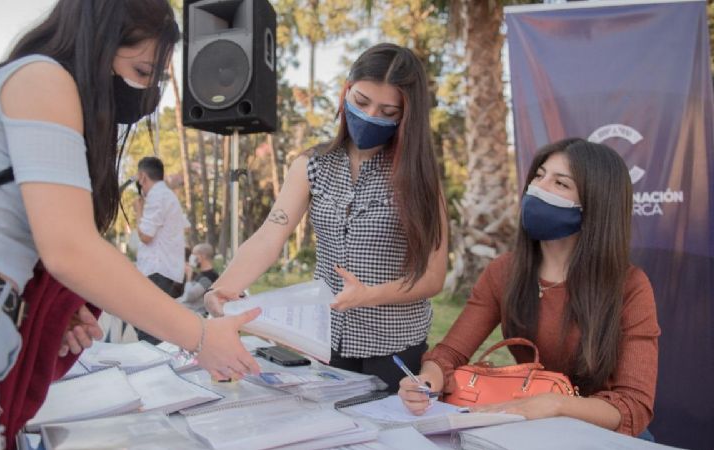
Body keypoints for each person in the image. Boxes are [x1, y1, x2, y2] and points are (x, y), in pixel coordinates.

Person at [0, 1, 259, 448]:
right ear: (101, 40)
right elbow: (70, 250)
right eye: (140, 70)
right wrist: (201, 337)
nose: (143, 92)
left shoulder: (29, 80)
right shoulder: (43, 78)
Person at [205, 43, 449, 392]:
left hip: (396, 348)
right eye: (361, 102)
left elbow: (433, 277)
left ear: (405, 116)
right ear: (346, 91)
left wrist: (369, 295)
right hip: (327, 342)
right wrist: (222, 288)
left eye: (387, 111)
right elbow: (269, 236)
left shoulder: (421, 177)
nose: (369, 115)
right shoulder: (312, 165)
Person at [398, 139, 660, 438]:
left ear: (596, 204)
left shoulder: (630, 286)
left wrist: (554, 405)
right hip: (530, 425)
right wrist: (427, 381)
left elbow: (633, 406)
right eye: (539, 175)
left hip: (602, 434)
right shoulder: (503, 271)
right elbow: (449, 353)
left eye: (560, 183)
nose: (538, 188)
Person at [132, 156, 190, 344]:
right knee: (152, 326)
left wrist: (138, 210)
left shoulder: (156, 196)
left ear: (142, 177)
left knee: (147, 329)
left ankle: (155, 367)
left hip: (157, 272)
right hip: (168, 271)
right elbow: (184, 227)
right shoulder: (168, 195)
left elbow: (145, 236)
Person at [182, 243, 220, 315]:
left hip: (196, 315)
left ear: (203, 256)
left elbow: (189, 297)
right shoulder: (201, 274)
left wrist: (189, 277)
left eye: (194, 254)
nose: (191, 257)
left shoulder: (209, 276)